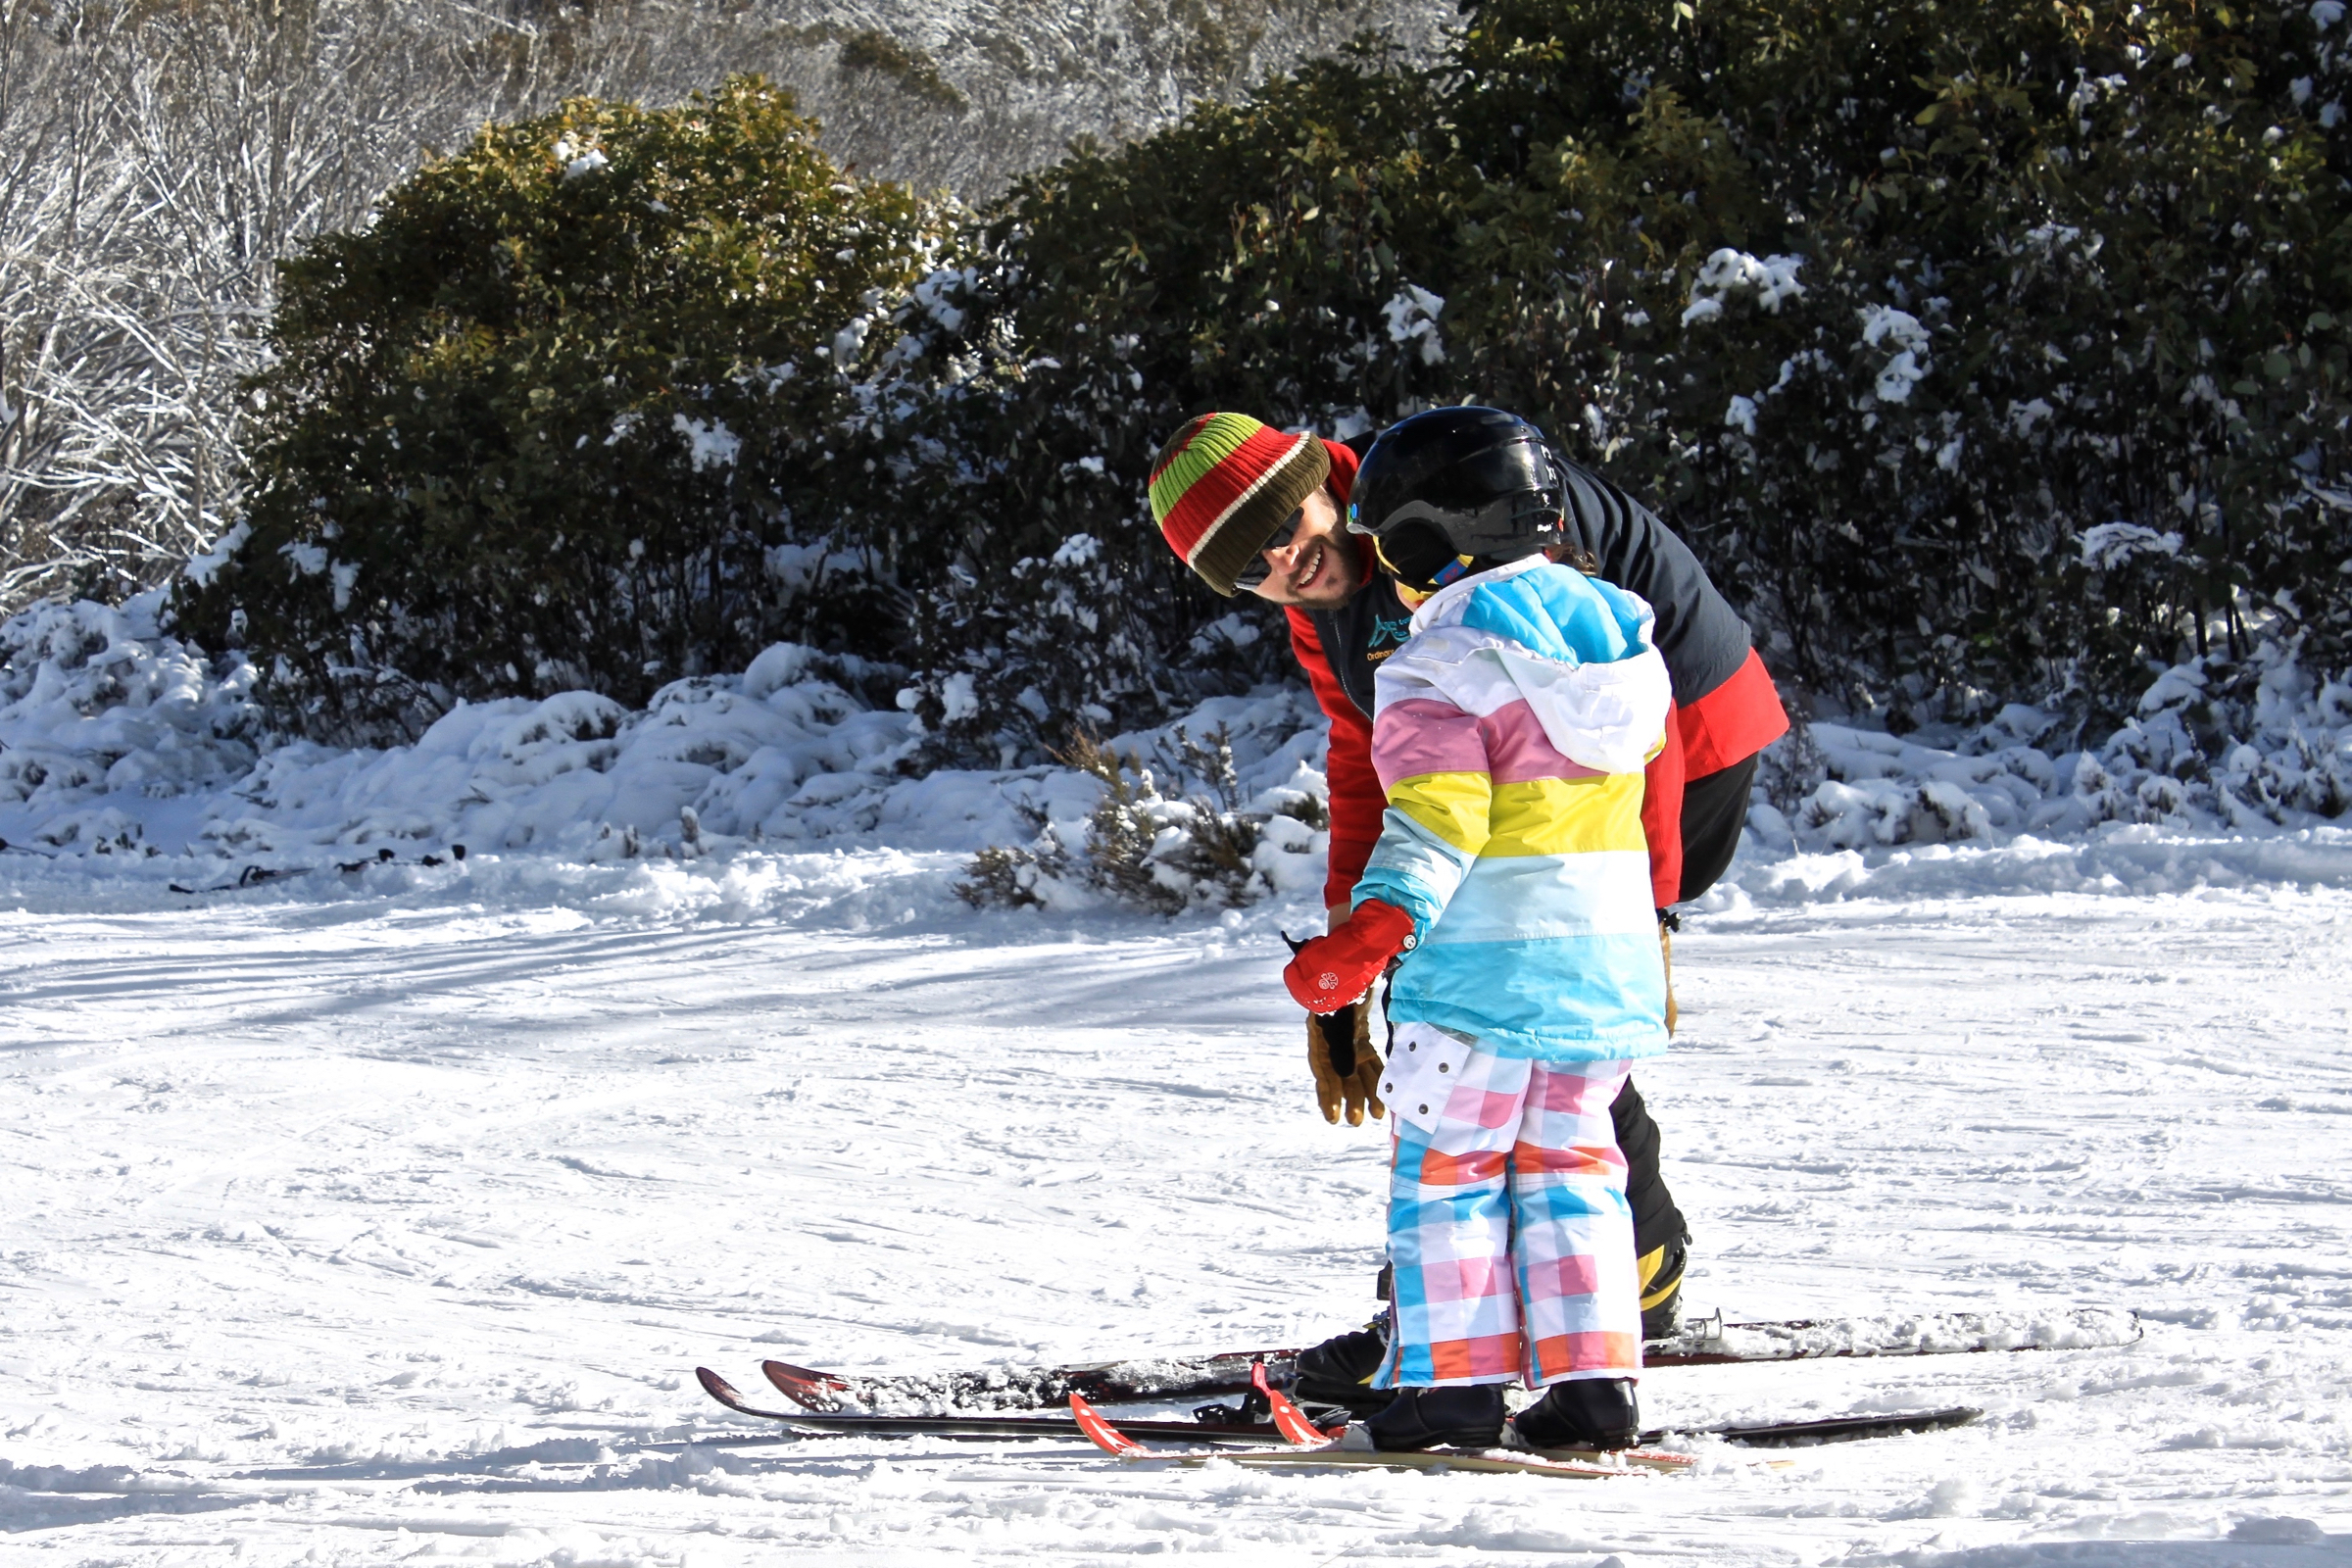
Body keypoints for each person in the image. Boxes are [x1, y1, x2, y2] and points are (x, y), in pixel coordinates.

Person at [1144, 408, 1788, 1407]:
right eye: (1247, 565)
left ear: (1323, 478)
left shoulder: (1460, 501)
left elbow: (1620, 718)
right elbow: (1370, 762)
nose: (1282, 558)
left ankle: (1559, 1280)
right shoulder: (1328, 605)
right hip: (1547, 769)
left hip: (1676, 739)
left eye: (1283, 519)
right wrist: (1347, 966)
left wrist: (1648, 910)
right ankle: (1547, 1285)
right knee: (1496, 995)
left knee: (1527, 1003)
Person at [1280, 405, 1670, 1451]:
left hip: (1484, 984)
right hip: (1600, 978)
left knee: (1449, 1174)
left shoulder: (1441, 662)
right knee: (1575, 1175)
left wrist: (1360, 942)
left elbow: (1437, 821)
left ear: (1422, 541)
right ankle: (1595, 1390)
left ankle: (1451, 1389)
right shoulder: (1616, 645)